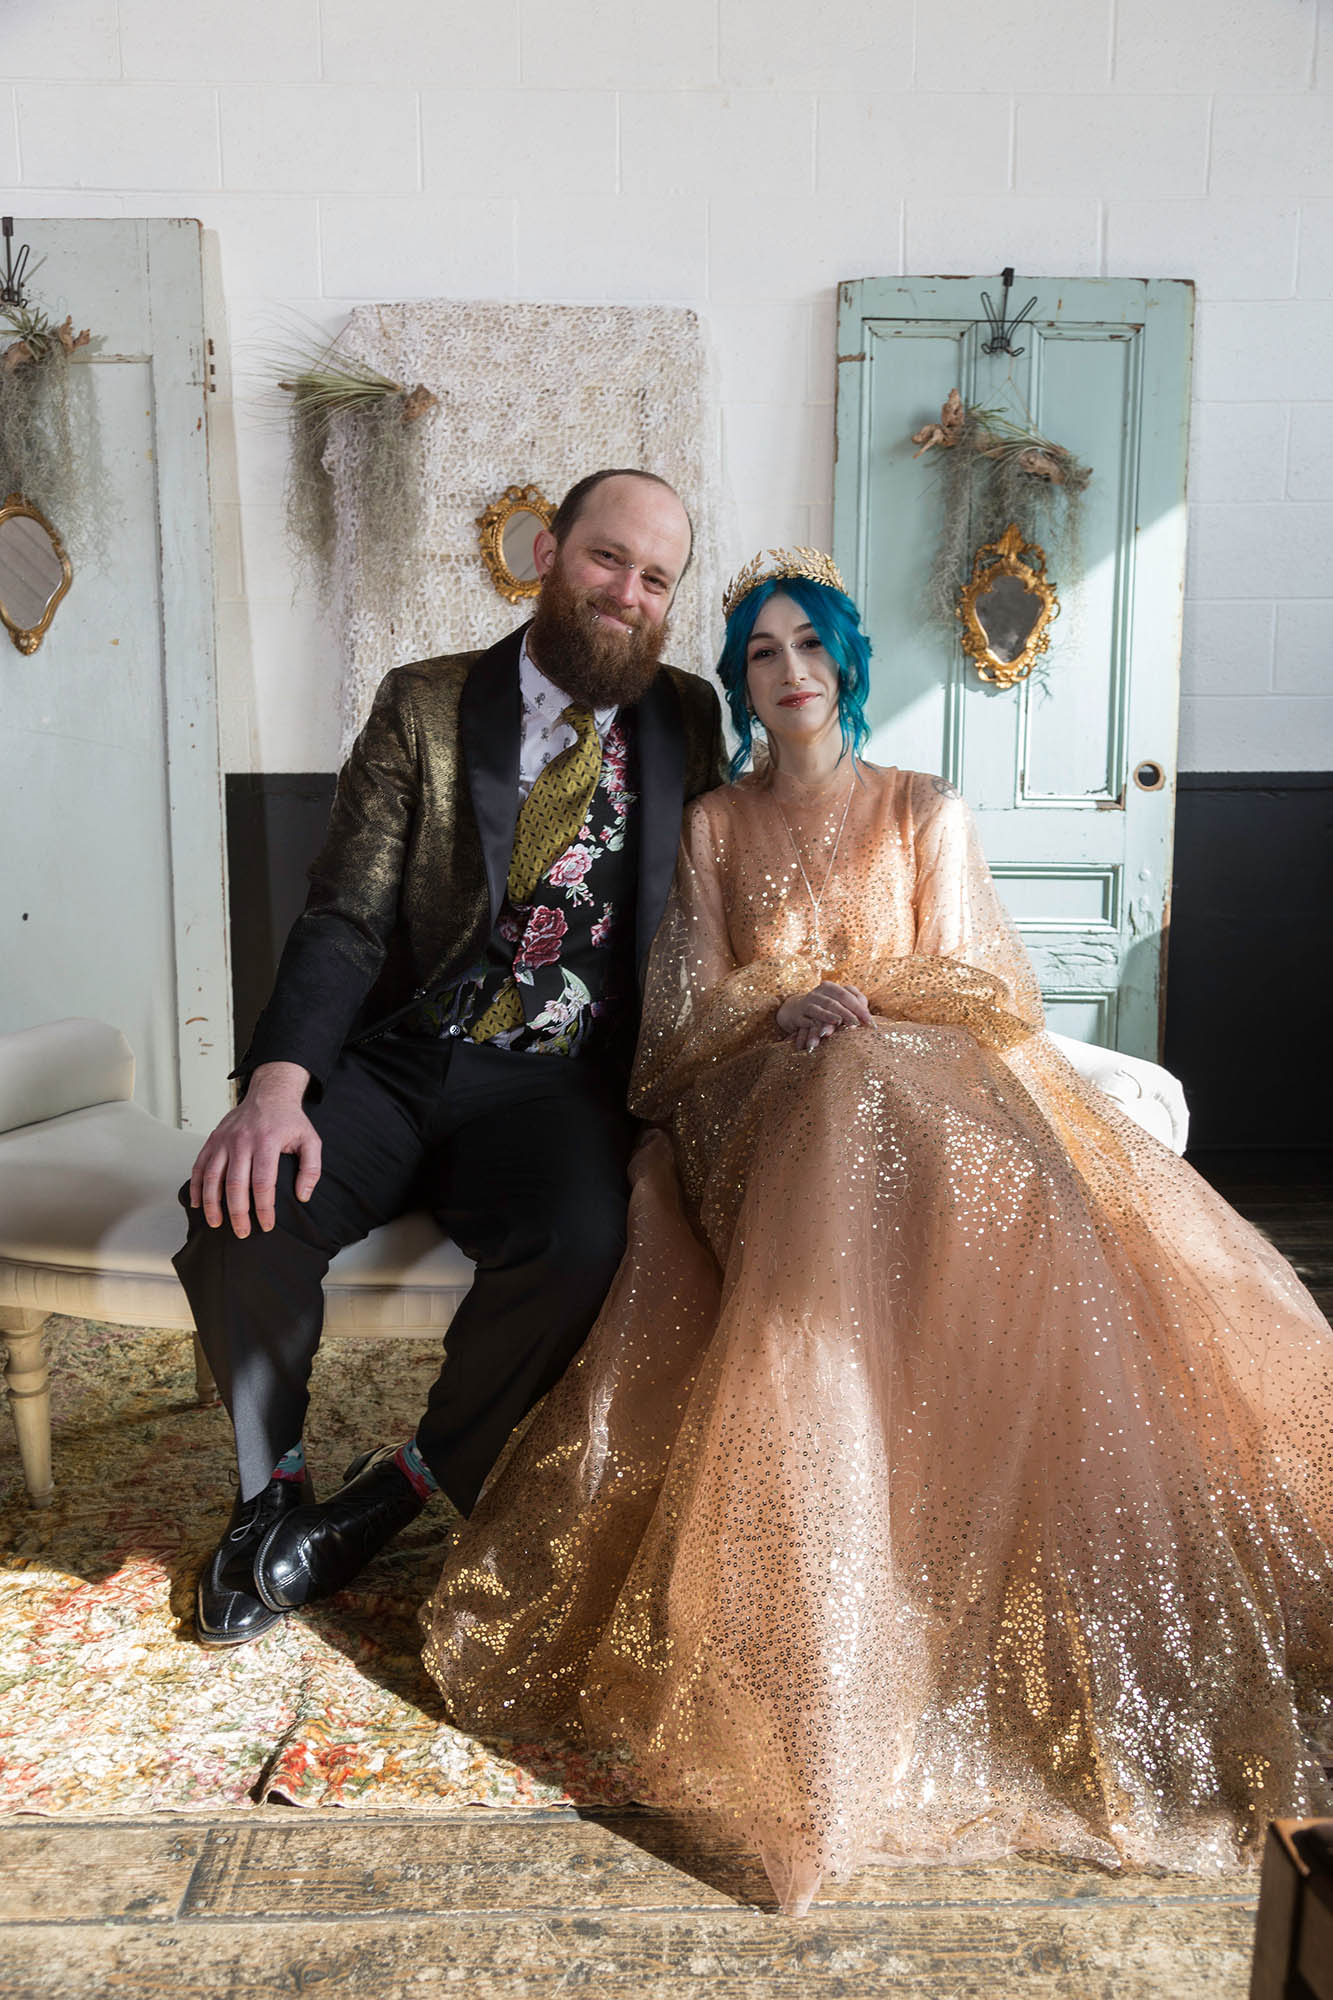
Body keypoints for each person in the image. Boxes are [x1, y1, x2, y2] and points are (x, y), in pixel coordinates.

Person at [421, 548, 1333, 1917]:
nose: (788, 673)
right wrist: (779, 1006)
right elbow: (674, 1029)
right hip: (753, 1105)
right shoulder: (717, 826)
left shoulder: (924, 808)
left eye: (807, 648)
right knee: (844, 1082)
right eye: (761, 657)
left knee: (910, 1096)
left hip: (910, 1079)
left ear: (845, 665)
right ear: (741, 686)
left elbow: (986, 986)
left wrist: (859, 992)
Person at [175, 469, 727, 1650]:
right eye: (605, 559)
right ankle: (269, 1496)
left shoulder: (689, 717)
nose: (627, 593)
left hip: (558, 1078)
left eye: (655, 578)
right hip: (402, 1053)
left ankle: (401, 1491)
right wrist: (275, 1089)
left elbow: (734, 899)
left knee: (584, 1243)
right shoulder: (424, 703)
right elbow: (343, 912)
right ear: (547, 554)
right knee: (240, 1209)